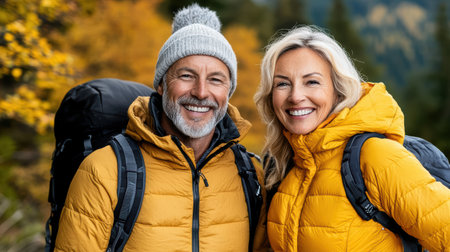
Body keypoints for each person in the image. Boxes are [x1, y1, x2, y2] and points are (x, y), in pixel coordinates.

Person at [55, 4, 268, 252]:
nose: (201, 92)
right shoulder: (104, 171)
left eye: (215, 79)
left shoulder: (251, 175)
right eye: (186, 76)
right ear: (161, 85)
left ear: (228, 91)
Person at [254, 25, 450, 251]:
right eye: (282, 84)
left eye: (312, 82)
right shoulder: (283, 166)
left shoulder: (375, 156)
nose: (296, 96)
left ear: (338, 90)